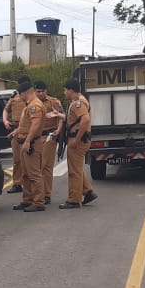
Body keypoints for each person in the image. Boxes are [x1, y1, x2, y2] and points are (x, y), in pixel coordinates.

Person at [60, 79, 98, 209]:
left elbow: (85, 120)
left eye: (65, 90)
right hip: (79, 139)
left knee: (74, 172)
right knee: (77, 169)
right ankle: (88, 192)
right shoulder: (79, 101)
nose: (64, 92)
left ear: (71, 90)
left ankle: (74, 200)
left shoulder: (78, 103)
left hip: (78, 141)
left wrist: (77, 139)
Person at [14, 81, 46, 212]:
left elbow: (35, 124)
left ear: (25, 93)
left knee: (34, 174)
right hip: (24, 142)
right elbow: (27, 124)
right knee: (26, 174)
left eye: (20, 95)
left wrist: (27, 141)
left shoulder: (35, 106)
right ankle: (27, 200)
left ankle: (38, 202)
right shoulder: (29, 105)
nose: (19, 97)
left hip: (31, 143)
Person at [35, 81, 64, 205]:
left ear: (46, 91)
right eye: (38, 91)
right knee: (37, 167)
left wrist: (58, 130)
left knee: (46, 167)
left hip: (49, 136)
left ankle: (45, 194)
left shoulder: (53, 102)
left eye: (42, 91)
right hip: (36, 137)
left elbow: (60, 118)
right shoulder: (33, 103)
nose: (40, 93)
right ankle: (38, 193)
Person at [2, 75, 31, 193]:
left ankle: (30, 183)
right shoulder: (14, 97)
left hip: (26, 129)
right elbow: (6, 109)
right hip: (15, 129)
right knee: (17, 159)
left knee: (29, 160)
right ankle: (17, 183)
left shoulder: (31, 99)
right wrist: (5, 120)